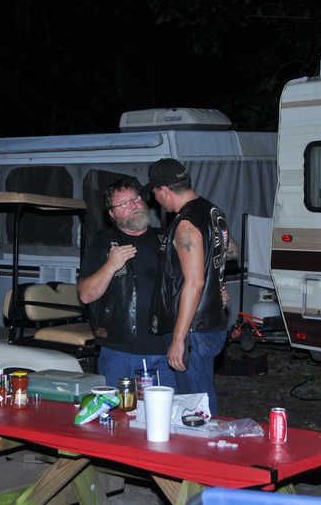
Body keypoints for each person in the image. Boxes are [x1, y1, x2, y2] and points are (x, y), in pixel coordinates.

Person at [142, 158, 238, 416]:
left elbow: (194, 283)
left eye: (154, 192)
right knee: (199, 398)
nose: (155, 199)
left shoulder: (186, 224)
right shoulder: (213, 211)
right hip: (211, 322)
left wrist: (178, 339)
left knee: (196, 408)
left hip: (193, 329)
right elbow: (232, 251)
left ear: (164, 190)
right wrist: (215, 286)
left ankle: (205, 441)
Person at [78, 179, 176, 389]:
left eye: (136, 199)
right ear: (111, 214)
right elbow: (86, 295)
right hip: (121, 350)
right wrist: (111, 265)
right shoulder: (103, 243)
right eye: (123, 203)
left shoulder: (166, 238)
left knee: (169, 408)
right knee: (119, 408)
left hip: (167, 348)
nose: (133, 205)